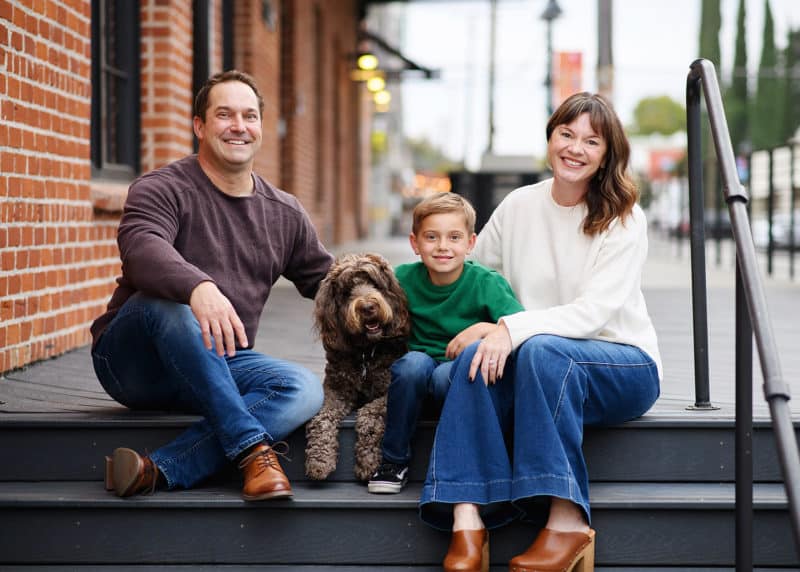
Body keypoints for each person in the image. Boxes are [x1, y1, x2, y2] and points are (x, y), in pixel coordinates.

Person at [419, 92, 662, 572]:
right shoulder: (519, 205)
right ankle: (468, 520)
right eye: (566, 134)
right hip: (537, 358)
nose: (575, 148)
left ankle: (568, 520)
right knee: (475, 359)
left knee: (544, 352)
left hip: (621, 364)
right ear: (550, 138)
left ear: (607, 153)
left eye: (591, 141)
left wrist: (511, 326)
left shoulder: (624, 218)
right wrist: (488, 325)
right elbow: (475, 275)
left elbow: (594, 313)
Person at [91, 70, 333, 501]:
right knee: (169, 306)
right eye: (224, 115)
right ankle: (254, 454)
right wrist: (196, 286)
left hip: (220, 363)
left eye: (250, 116)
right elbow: (141, 249)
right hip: (134, 363)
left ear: (260, 127)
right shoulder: (161, 188)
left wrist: (425, 295)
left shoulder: (284, 213)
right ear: (199, 126)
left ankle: (158, 471)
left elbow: (331, 282)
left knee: (302, 388)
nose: (239, 126)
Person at [368, 193, 524, 494]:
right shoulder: (401, 279)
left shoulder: (486, 283)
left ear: (470, 243)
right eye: (431, 237)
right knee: (411, 365)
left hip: (460, 377)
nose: (442, 246)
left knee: (442, 376)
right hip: (413, 376)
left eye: (454, 237)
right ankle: (393, 460)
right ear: (415, 243)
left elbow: (518, 327)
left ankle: (451, 466)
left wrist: (482, 329)